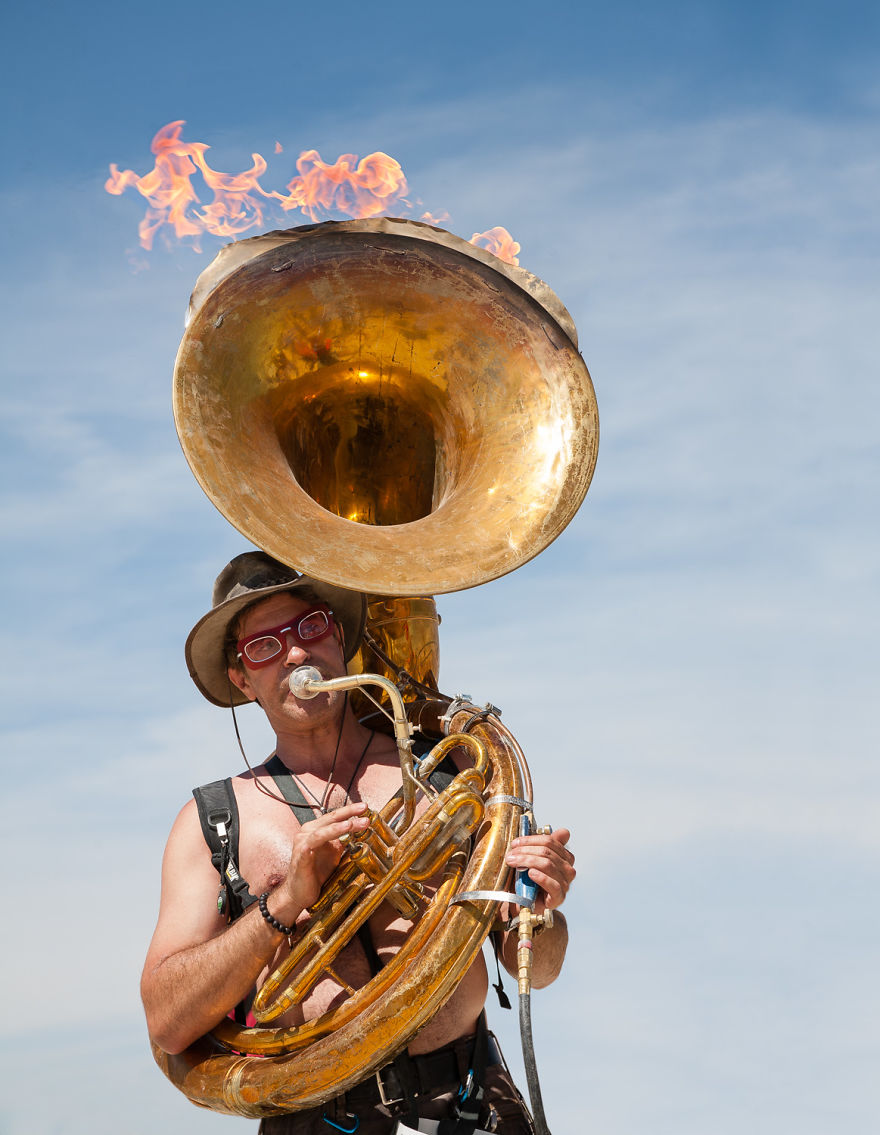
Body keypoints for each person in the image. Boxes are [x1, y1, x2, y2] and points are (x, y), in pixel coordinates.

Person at [142, 551, 576, 1133]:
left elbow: (539, 972)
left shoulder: (448, 772)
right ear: (242, 680)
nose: (296, 654)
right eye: (265, 646)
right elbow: (168, 1023)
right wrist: (283, 902)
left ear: (339, 637)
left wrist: (540, 910)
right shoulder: (212, 821)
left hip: (470, 1098)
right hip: (313, 1114)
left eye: (310, 627)